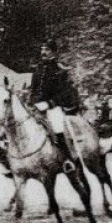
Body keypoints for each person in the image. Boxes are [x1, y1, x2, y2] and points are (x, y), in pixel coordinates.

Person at [29, 40, 82, 168]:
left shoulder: (60, 69)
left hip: (54, 107)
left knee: (58, 128)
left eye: (46, 50)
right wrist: (31, 102)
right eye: (42, 49)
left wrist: (49, 104)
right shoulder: (38, 70)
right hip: (37, 107)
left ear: (53, 52)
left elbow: (65, 93)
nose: (43, 52)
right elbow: (33, 90)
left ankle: (68, 160)